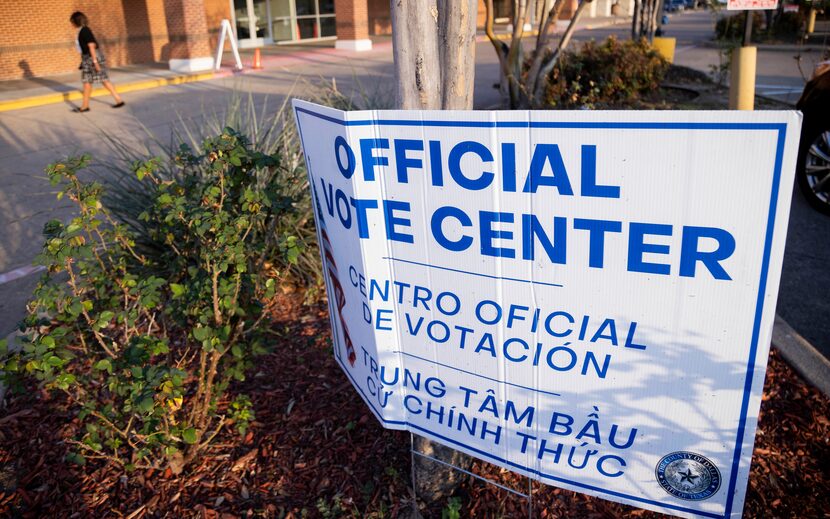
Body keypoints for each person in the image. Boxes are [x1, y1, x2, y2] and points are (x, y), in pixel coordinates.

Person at [70, 11, 124, 112]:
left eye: (72, 21)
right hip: (87, 58)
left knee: (101, 79)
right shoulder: (82, 30)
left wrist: (95, 62)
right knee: (87, 82)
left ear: (75, 21)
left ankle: (118, 100)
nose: (71, 24)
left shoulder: (85, 30)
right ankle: (85, 106)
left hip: (92, 58)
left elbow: (91, 45)